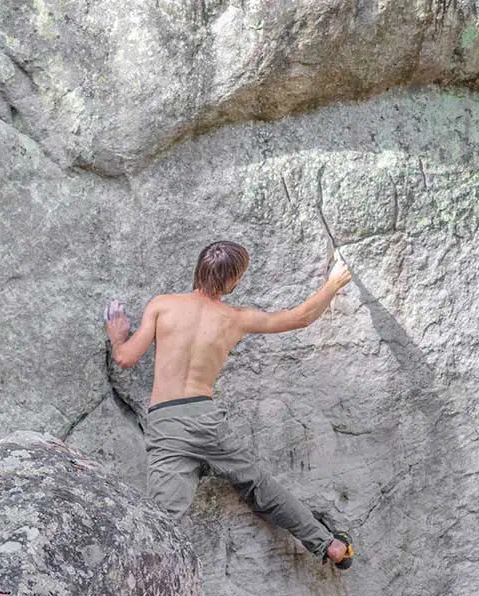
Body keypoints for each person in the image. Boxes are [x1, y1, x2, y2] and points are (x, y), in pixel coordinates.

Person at [104, 240, 355, 568]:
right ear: (232, 282)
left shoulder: (162, 305)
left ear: (198, 268)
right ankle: (330, 546)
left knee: (162, 524)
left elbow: (124, 359)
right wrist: (334, 282)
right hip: (207, 421)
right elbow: (300, 318)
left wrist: (117, 333)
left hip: (167, 426)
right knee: (258, 484)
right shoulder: (235, 318)